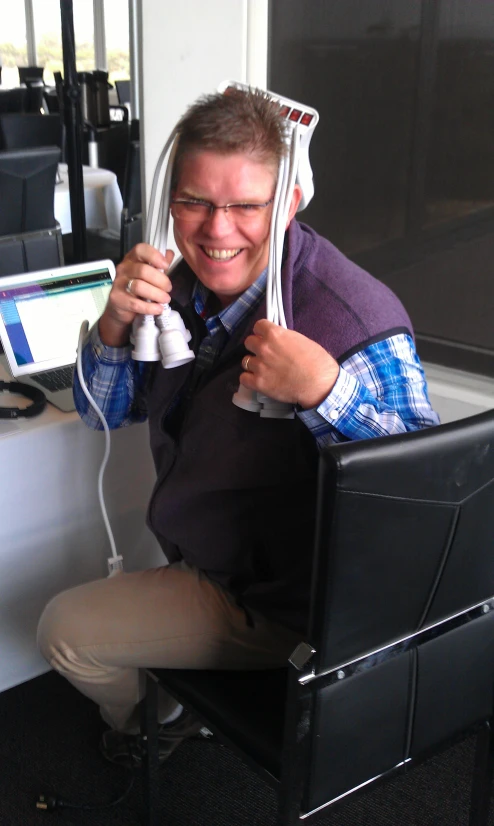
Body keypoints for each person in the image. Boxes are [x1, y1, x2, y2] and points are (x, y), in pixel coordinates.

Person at [37, 88, 440, 768]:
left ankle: (150, 724)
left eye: (246, 206)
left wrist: (326, 393)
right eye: (195, 201)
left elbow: (426, 504)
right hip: (215, 555)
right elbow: (102, 414)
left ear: (287, 203)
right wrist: (113, 324)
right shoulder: (182, 290)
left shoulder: (352, 317)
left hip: (284, 604)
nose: (217, 231)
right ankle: (176, 693)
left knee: (63, 632)